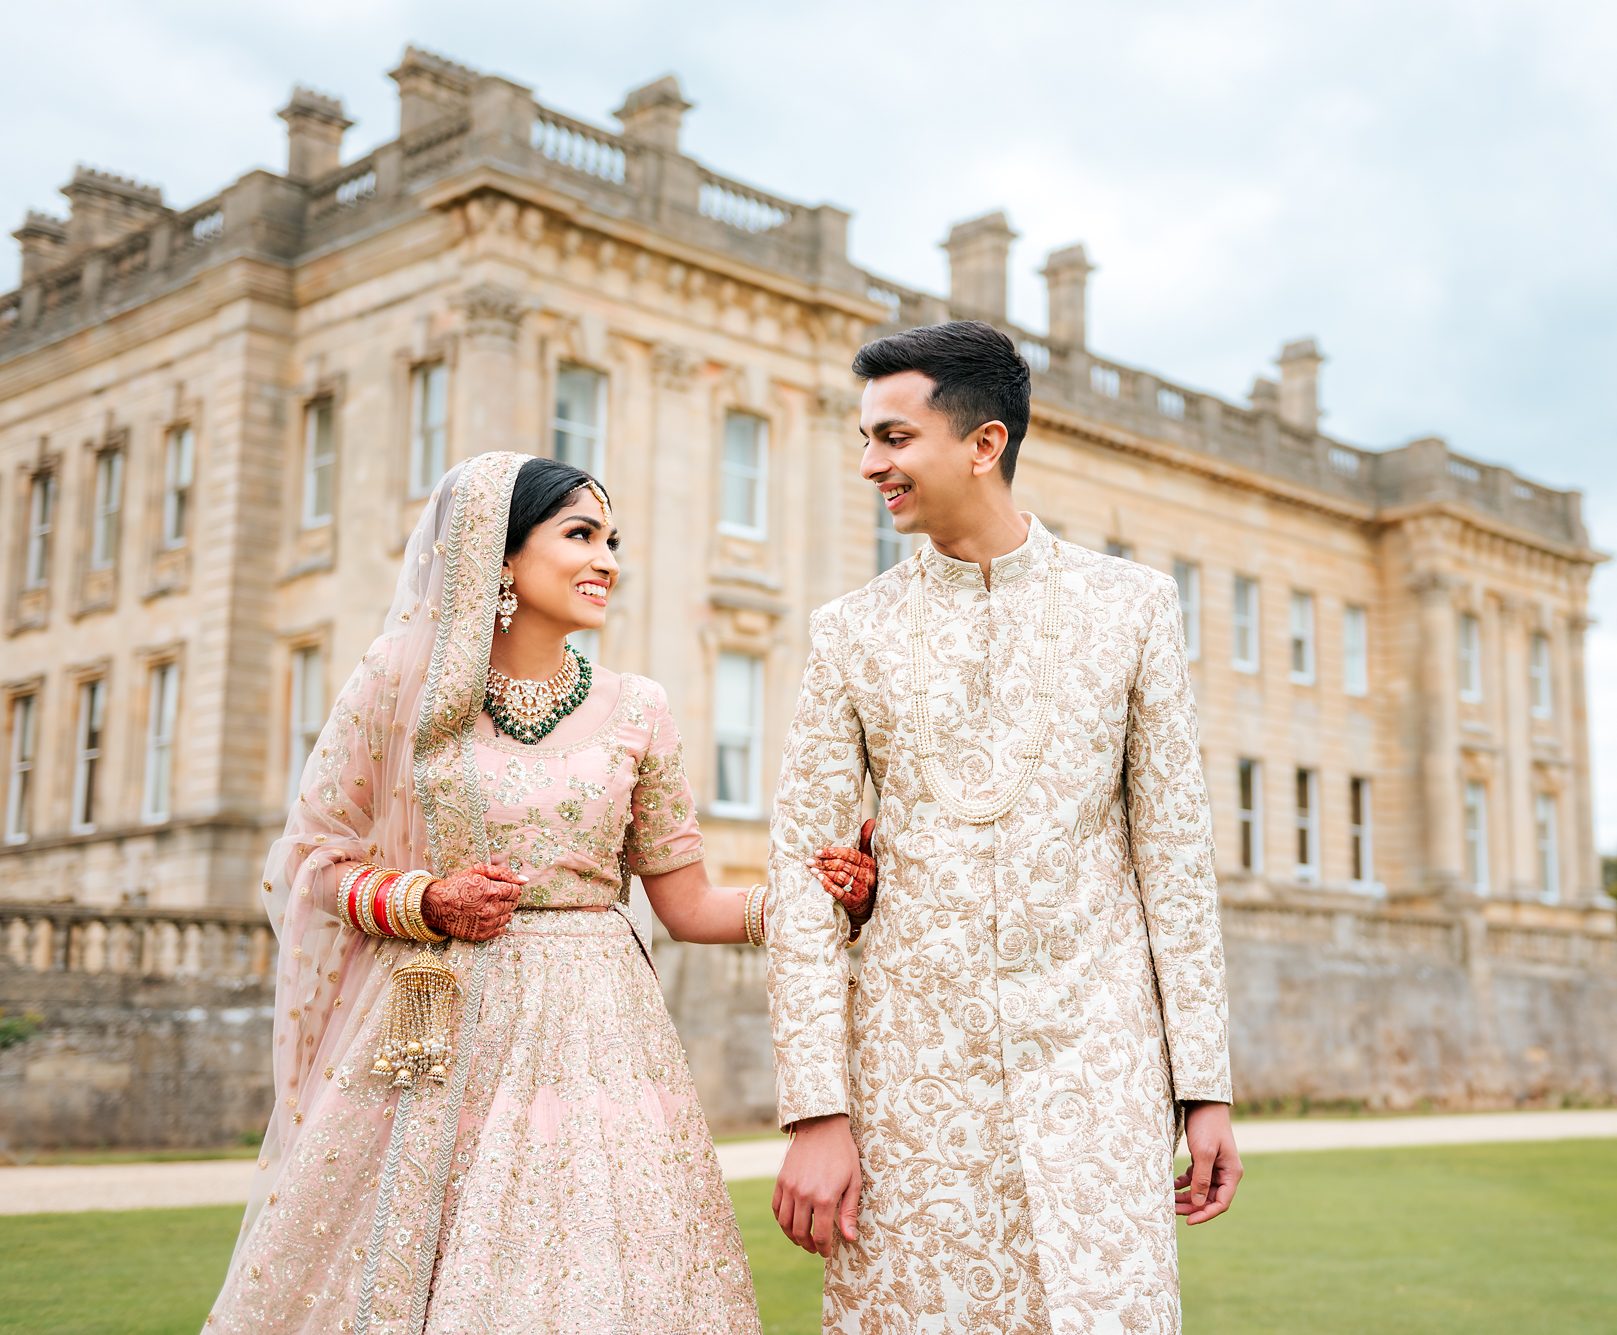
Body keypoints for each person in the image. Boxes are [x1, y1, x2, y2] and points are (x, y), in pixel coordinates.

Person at [207, 451, 874, 1334]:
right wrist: (427, 899)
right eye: (581, 535)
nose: (608, 559)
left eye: (614, 540)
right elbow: (309, 862)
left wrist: (823, 903)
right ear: (501, 553)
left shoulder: (640, 708)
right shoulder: (401, 686)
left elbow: (688, 906)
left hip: (602, 1031)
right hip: (435, 1023)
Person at [766, 321, 1243, 1334]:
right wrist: (816, 1109)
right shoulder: (847, 633)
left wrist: (1204, 1087)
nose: (868, 464)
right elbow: (803, 877)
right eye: (863, 439)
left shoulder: (1132, 609)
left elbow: (1174, 860)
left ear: (983, 444)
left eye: (891, 438)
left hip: (1099, 1072)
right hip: (911, 1085)